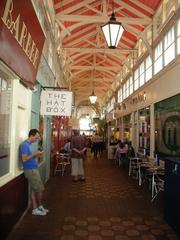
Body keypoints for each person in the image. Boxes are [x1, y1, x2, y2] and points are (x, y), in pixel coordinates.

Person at [19, 129, 49, 216]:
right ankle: (38, 206)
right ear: (31, 136)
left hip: (33, 169)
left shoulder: (29, 144)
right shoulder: (24, 145)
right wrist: (34, 154)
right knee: (40, 189)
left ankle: (36, 208)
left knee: (33, 190)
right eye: (36, 137)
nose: (37, 139)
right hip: (30, 170)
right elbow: (24, 159)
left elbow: (29, 157)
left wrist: (37, 155)